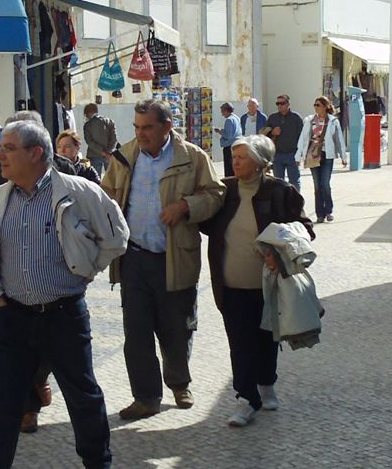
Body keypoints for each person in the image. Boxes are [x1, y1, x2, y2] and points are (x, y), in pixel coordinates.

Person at [0, 120, 129, 469]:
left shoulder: (78, 192)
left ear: (36, 154)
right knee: (1, 408)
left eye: (9, 148)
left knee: (82, 393)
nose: (0, 154)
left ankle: (97, 468)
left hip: (63, 312)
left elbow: (117, 237)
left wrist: (85, 270)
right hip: (12, 316)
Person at [102, 99, 225, 420]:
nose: (141, 134)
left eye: (148, 127)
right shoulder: (124, 156)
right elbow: (106, 193)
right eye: (137, 127)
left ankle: (179, 382)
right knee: (137, 332)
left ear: (167, 126)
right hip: (134, 258)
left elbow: (215, 194)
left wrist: (185, 205)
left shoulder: (192, 158)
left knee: (177, 328)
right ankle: (145, 397)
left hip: (175, 257)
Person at [0, 110, 76, 435]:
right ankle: (26, 409)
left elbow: (103, 229)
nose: (4, 153)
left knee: (59, 361)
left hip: (58, 294)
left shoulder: (65, 173)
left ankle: (38, 383)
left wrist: (82, 274)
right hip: (12, 289)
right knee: (14, 358)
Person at [201, 135, 313, 426]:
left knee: (266, 338)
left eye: (242, 157)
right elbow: (204, 221)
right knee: (240, 343)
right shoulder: (224, 191)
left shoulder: (280, 192)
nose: (235, 162)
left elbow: (304, 229)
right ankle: (245, 399)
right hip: (230, 285)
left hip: (268, 285)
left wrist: (281, 251)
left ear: (260, 163)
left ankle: (267, 383)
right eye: (234, 156)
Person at [296, 95, 348, 223]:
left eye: (318, 105)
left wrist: (343, 156)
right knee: (317, 185)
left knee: (325, 183)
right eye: (315, 105)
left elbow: (339, 139)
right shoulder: (309, 120)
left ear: (325, 107)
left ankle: (328, 210)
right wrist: (298, 156)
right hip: (313, 155)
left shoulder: (333, 121)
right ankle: (320, 213)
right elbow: (303, 139)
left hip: (327, 155)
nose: (316, 107)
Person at [265, 94, 304, 190]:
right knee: (278, 182)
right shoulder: (272, 118)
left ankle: (295, 203)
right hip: (277, 154)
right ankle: (280, 203)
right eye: (277, 103)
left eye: (282, 103)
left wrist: (300, 154)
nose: (279, 105)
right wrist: (272, 132)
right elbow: (265, 136)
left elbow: (302, 137)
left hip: (292, 154)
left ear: (288, 104)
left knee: (294, 181)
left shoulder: (296, 118)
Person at [82, 102, 118, 176]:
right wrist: (108, 152)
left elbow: (89, 141)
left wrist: (102, 152)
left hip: (94, 155)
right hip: (109, 155)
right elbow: (114, 139)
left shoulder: (88, 125)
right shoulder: (109, 121)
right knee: (111, 179)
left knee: (96, 179)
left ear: (88, 113)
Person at [214, 102, 243, 177]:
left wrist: (220, 131)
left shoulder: (229, 120)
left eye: (222, 112)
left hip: (229, 146)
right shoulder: (236, 118)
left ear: (226, 111)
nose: (222, 114)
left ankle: (230, 184)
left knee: (229, 168)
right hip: (236, 144)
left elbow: (228, 135)